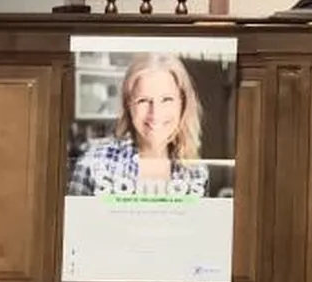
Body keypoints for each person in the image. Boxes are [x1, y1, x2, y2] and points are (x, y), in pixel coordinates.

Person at [67, 53, 209, 197]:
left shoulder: (196, 173)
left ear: (182, 104)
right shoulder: (95, 162)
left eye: (167, 99)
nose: (155, 113)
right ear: (129, 105)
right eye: (143, 100)